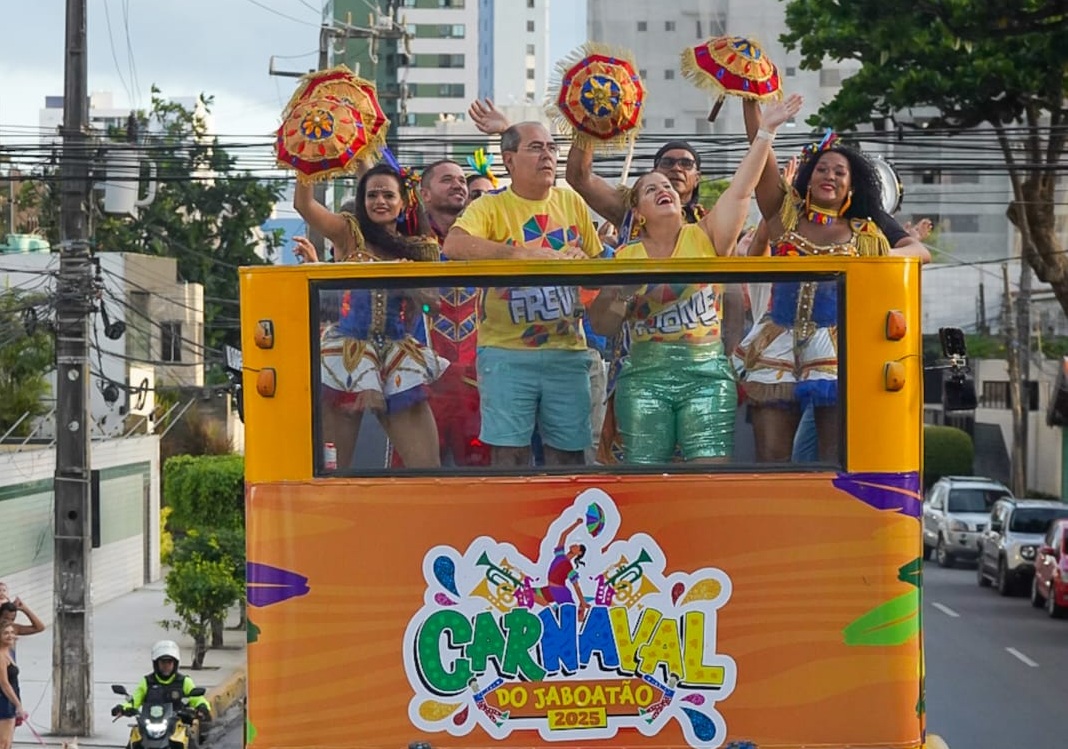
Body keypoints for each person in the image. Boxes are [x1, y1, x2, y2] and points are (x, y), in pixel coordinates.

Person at [589, 95, 801, 465]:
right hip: (642, 378)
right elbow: (602, 327)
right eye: (651, 188)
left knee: (708, 478)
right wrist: (621, 295)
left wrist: (766, 131)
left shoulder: (706, 236)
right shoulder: (625, 257)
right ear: (636, 211)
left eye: (667, 187)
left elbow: (741, 189)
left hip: (707, 375)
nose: (664, 190)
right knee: (646, 482)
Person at [734, 105, 893, 463]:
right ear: (807, 176)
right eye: (822, 168)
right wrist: (752, 106)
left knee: (834, 459)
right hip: (777, 342)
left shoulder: (867, 236)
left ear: (853, 185)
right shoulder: (785, 217)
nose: (830, 175)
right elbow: (763, 166)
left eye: (840, 172)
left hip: (839, 350)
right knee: (770, 457)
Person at [443, 121, 603, 467]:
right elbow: (453, 244)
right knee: (509, 457)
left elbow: (597, 264)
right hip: (506, 354)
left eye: (551, 147)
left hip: (568, 353)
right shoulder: (489, 206)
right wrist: (520, 254)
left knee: (570, 458)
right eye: (535, 147)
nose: (547, 155)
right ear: (509, 160)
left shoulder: (571, 201)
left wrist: (581, 261)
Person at [294, 164, 447, 470]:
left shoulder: (419, 247)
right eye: (372, 194)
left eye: (388, 195)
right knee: (332, 470)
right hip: (347, 356)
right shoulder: (350, 235)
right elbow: (304, 205)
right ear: (362, 200)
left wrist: (412, 284)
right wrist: (305, 161)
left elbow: (434, 306)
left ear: (402, 202)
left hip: (399, 355)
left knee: (427, 469)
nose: (380, 201)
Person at [414, 160, 490, 467]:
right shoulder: (408, 242)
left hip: (479, 380)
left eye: (461, 180)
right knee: (417, 482)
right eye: (447, 180)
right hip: (422, 382)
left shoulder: (488, 237)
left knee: (481, 480)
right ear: (425, 194)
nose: (459, 185)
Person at [112, 641, 211, 727]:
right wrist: (122, 708)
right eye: (163, 662)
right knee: (134, 739)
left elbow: (197, 699)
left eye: (169, 662)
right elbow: (134, 701)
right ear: (156, 663)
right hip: (150, 724)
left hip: (178, 725)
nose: (166, 666)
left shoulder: (184, 681)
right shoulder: (147, 681)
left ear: (175, 663)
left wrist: (202, 707)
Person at [515, 518, 590, 621]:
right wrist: (576, 523)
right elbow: (563, 535)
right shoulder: (560, 554)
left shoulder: (569, 567)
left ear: (579, 553)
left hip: (561, 592)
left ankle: (580, 617)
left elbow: (576, 587)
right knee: (527, 593)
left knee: (573, 615)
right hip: (549, 590)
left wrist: (582, 601)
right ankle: (553, 612)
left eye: (578, 546)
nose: (575, 545)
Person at [0, 624, 26, 749]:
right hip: (4, 700)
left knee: (8, 742)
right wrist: (18, 705)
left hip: (11, 699)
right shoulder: (0, 656)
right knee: (3, 743)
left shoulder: (9, 651)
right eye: (6, 633)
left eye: (12, 632)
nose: (10, 635)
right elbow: (4, 684)